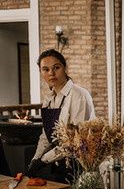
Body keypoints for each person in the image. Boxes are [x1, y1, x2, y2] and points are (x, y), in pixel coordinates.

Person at [27, 49, 96, 182]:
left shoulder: (78, 95)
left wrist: (44, 160)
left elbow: (75, 140)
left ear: (65, 68)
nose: (51, 73)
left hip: (79, 164)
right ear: (41, 73)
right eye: (45, 69)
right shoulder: (49, 99)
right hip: (57, 163)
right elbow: (46, 136)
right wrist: (35, 159)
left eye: (56, 68)